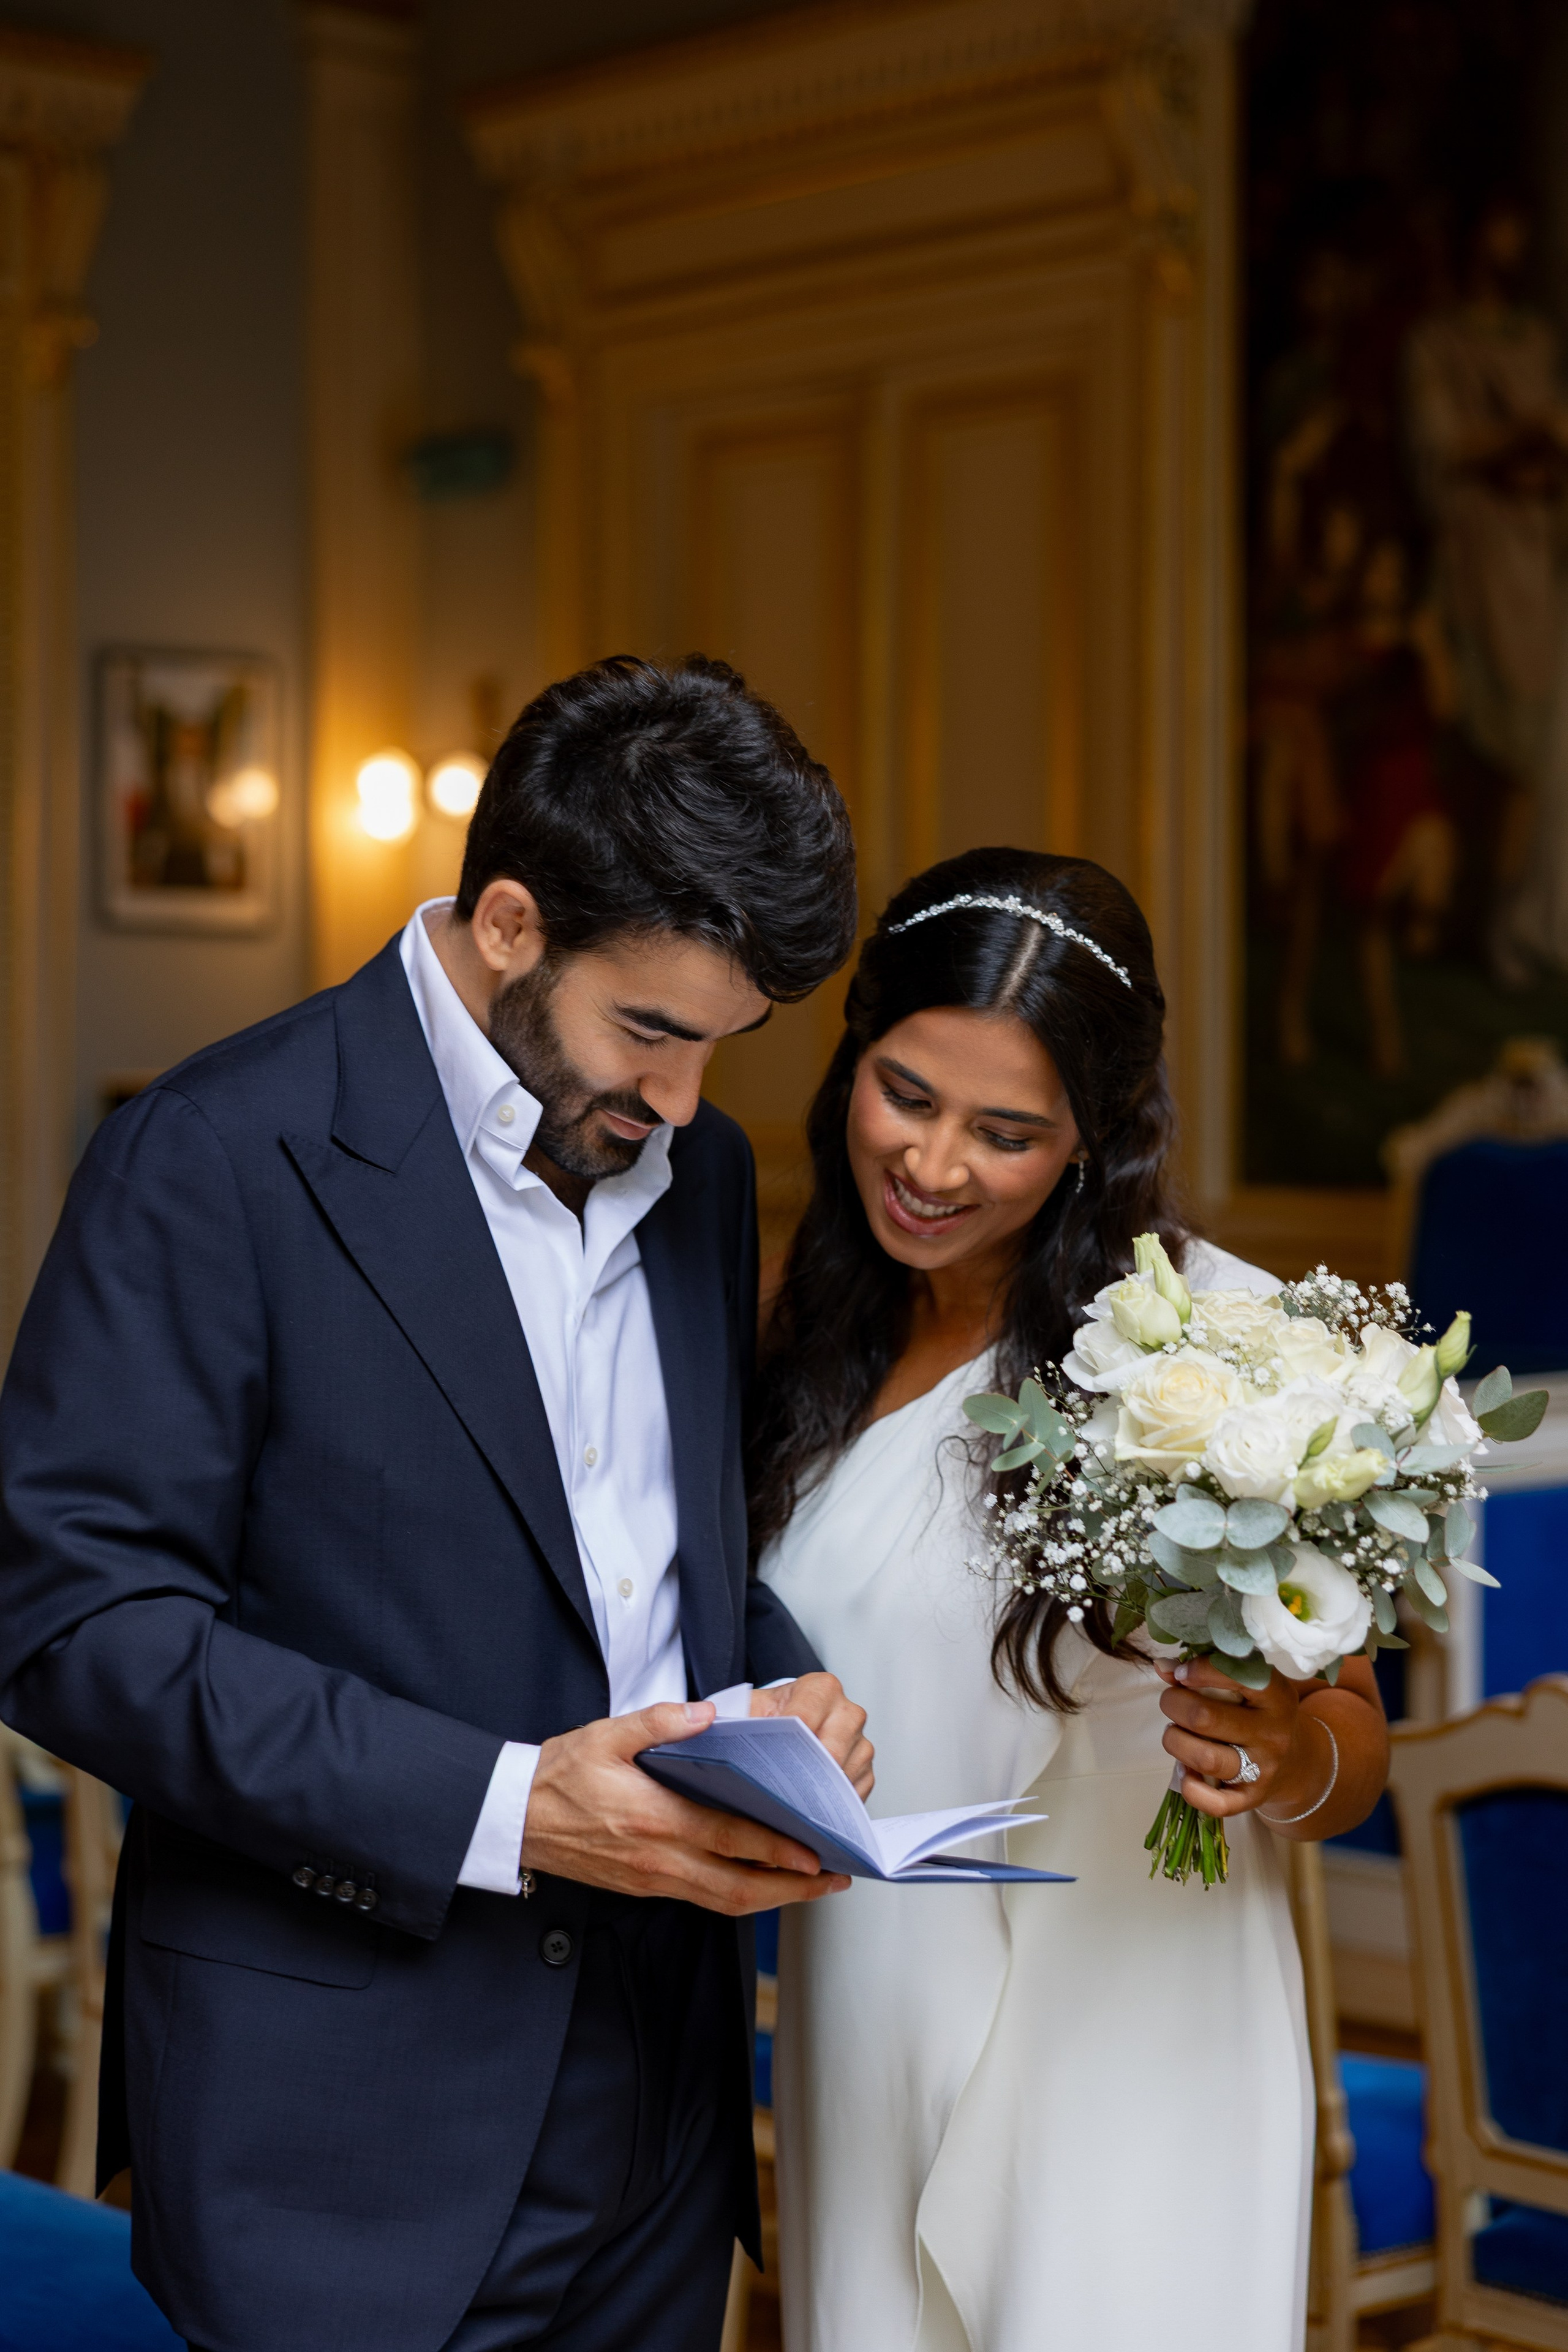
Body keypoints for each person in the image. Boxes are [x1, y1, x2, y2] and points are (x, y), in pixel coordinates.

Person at [0, 654, 874, 2352]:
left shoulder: (682, 1184)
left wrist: (781, 1686)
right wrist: (507, 1807)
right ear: (508, 924)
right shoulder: (210, 1156)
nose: (689, 1105)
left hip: (661, 2110)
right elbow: (72, 1624)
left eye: (723, 1049)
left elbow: (647, 1553)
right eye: (653, 1033)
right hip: (340, 2126)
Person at [750, 846, 1392, 2352]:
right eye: (903, 1095)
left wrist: (1275, 1755)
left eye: (1005, 1132)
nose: (933, 1166)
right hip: (868, 1989)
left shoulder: (1219, 1346)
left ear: (1093, 1143)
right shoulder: (809, 1340)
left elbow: (1348, 1743)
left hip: (1128, 2013)